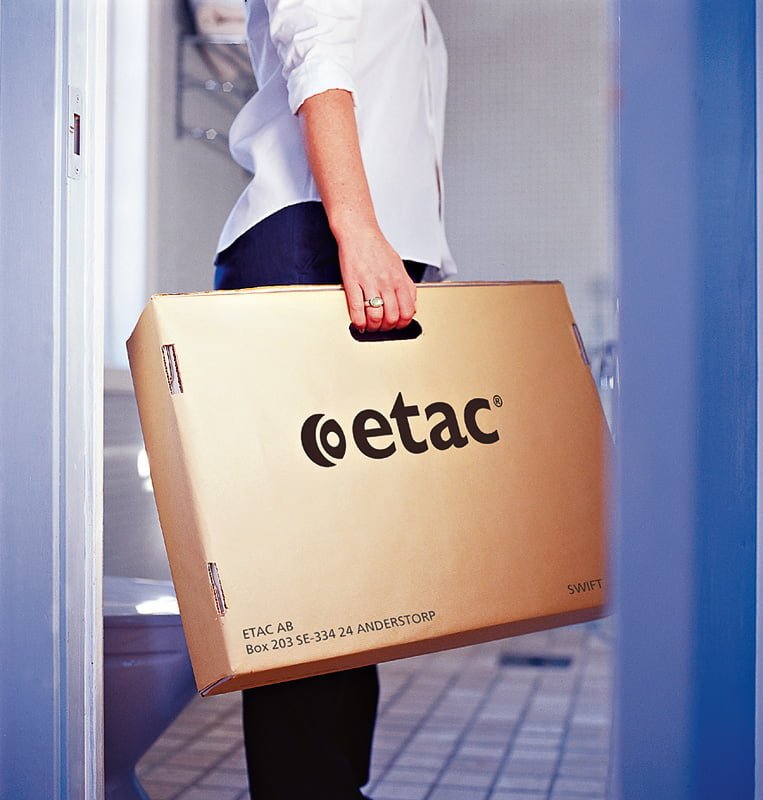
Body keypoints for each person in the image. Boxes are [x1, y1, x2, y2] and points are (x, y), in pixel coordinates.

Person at [214, 1, 454, 797]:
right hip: (316, 248)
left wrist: (410, 256)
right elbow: (315, 45)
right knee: (310, 589)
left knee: (354, 585)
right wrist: (358, 229)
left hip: (354, 252)